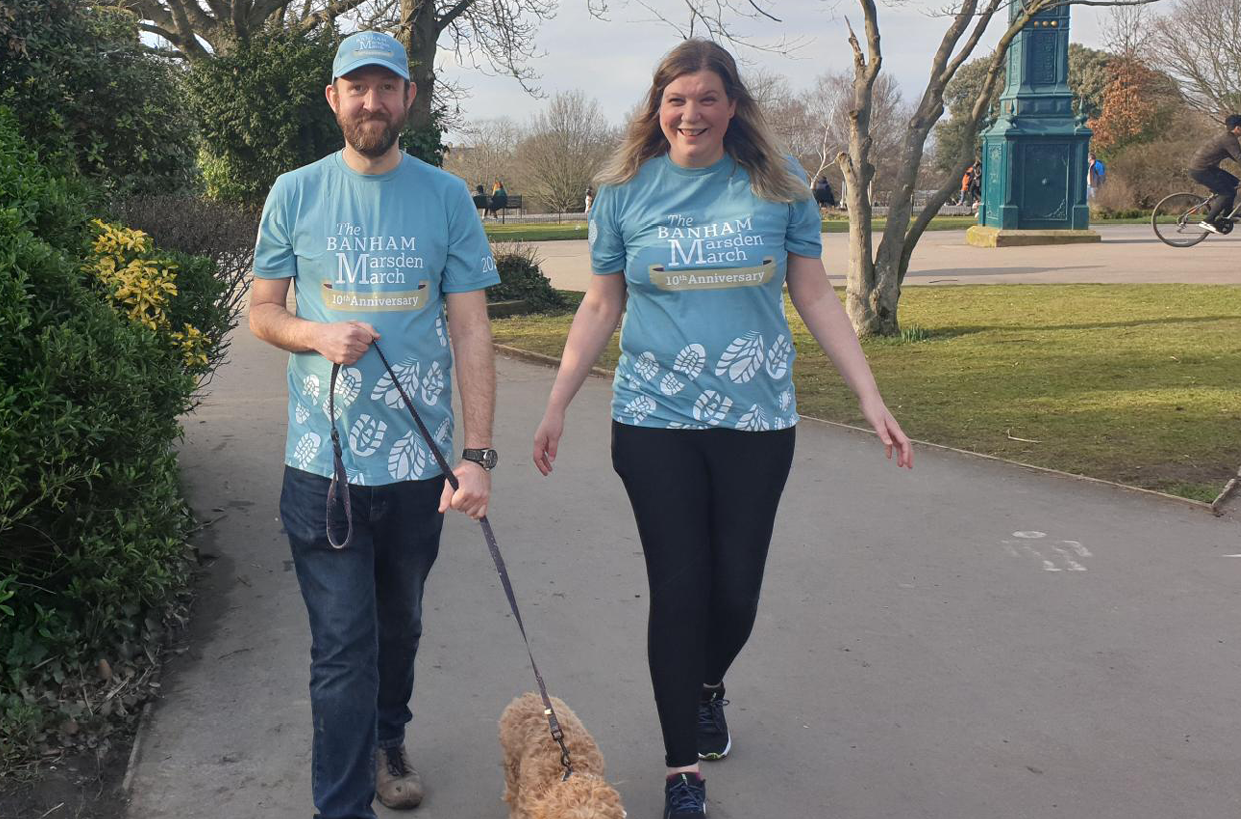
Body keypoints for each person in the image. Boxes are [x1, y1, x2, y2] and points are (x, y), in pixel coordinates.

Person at [530, 39, 913, 819]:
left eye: (706, 98)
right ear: (656, 107)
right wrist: (557, 400)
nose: (690, 113)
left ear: (731, 105)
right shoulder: (623, 190)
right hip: (653, 419)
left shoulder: (777, 187)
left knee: (734, 590)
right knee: (679, 590)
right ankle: (681, 774)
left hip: (755, 419)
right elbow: (601, 303)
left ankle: (706, 685)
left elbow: (813, 295)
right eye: (676, 99)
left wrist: (868, 395)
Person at [248, 30, 501, 819]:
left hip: (419, 469)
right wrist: (315, 334)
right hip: (321, 466)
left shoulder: (447, 196)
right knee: (342, 647)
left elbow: (470, 330)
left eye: (385, 87)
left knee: (400, 628)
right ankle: (341, 805)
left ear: (407, 100)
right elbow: (261, 311)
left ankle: (388, 736)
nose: (371, 101)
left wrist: (477, 455)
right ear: (333, 99)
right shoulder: (294, 190)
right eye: (356, 87)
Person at [1189, 114, 1241, 234]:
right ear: (1237, 128)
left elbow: (1237, 156)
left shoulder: (1229, 138)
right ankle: (1208, 220)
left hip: (1207, 168)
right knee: (1226, 193)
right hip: (1201, 170)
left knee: (1235, 184)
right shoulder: (1229, 140)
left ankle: (1226, 215)